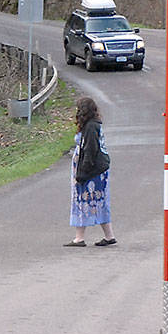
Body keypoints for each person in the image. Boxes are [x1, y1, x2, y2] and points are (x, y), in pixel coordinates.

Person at [66, 96, 115, 247]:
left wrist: (83, 172)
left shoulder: (91, 127)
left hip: (92, 172)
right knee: (99, 202)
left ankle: (79, 238)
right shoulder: (93, 124)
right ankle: (108, 236)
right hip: (96, 171)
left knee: (83, 201)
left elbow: (90, 150)